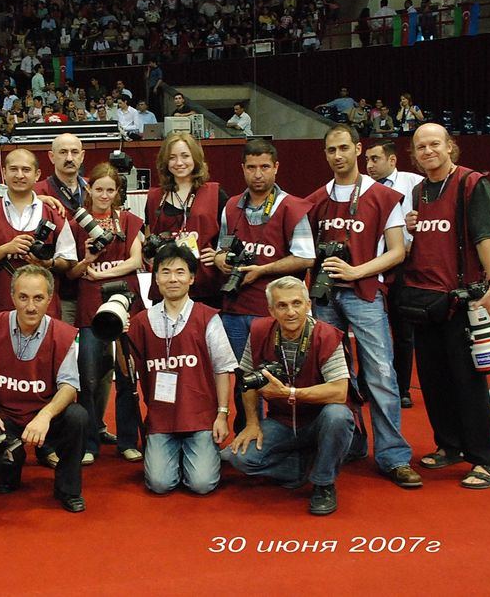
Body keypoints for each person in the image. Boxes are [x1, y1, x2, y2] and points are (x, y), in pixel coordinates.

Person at [305, 124, 421, 489]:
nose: (337, 156)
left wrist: (357, 271)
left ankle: (393, 456)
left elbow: (398, 251)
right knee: (338, 376)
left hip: (365, 294)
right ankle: (352, 442)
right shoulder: (316, 199)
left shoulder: (382, 196)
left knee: (381, 374)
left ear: (358, 149)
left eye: (344, 148)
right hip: (325, 298)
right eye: (331, 150)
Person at [401, 123, 490, 489]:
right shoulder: (418, 192)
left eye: (434, 144)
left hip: (461, 300)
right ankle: (449, 445)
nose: (428, 151)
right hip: (425, 301)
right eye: (421, 146)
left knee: (468, 381)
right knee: (433, 380)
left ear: (450, 147)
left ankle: (484, 458)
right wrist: (410, 227)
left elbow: (485, 237)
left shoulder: (471, 183)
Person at [223, 276, 354, 515]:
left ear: (308, 305)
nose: (290, 312)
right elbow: (247, 380)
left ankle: (323, 483)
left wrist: (291, 393)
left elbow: (339, 391)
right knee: (239, 459)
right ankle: (302, 466)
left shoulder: (326, 335)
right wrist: (252, 423)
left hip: (318, 420)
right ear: (271, 310)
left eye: (296, 303)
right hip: (281, 422)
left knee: (339, 416)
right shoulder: (259, 331)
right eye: (282, 305)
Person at [0, 264, 88, 512]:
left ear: (49, 299)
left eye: (38, 298)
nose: (31, 306)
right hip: (4, 417)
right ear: (12, 297)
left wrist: (45, 416)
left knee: (78, 417)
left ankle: (68, 489)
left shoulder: (63, 334)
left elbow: (69, 386)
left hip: (43, 418)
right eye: (23, 297)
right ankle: (10, 471)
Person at [214, 140, 315, 431]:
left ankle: (282, 435)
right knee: (242, 378)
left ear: (276, 168)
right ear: (243, 169)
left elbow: (306, 257)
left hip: (275, 311)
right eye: (251, 167)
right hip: (235, 308)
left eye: (264, 167)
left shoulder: (292, 206)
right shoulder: (232, 205)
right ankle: (248, 432)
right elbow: (222, 248)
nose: (258, 174)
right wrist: (221, 260)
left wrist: (262, 270)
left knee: (279, 377)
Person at [127, 244, 238, 495]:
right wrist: (118, 337)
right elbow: (128, 370)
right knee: (159, 484)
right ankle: (179, 455)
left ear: (191, 278)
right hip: (161, 417)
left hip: (200, 417)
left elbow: (222, 369)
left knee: (202, 484)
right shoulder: (141, 321)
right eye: (165, 272)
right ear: (156, 278)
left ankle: (198, 453)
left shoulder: (208, 317)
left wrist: (222, 415)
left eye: (180, 272)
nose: (173, 279)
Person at [66, 163, 146, 462]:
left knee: (128, 375)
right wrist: (88, 260)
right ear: (89, 189)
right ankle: (89, 443)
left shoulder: (129, 220)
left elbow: (136, 261)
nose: (104, 195)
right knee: (87, 377)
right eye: (99, 189)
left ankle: (127, 440)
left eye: (110, 190)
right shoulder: (76, 224)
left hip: (126, 302)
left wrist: (100, 274)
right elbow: (71, 272)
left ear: (118, 192)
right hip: (90, 306)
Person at [0, 149, 76, 318]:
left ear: (37, 174)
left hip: (45, 311)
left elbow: (69, 261)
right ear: (4, 173)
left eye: (26, 170)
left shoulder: (54, 214)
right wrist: (5, 249)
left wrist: (47, 263)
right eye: (14, 169)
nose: (19, 175)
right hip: (0, 307)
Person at [364, 141, 425, 407]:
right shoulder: (362, 187)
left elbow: (429, 220)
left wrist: (414, 243)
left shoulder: (415, 183)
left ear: (392, 160)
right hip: (371, 263)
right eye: (367, 159)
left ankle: (401, 389)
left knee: (402, 330)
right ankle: (365, 385)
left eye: (375, 159)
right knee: (369, 328)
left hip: (405, 265)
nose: (369, 165)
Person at [145, 132, 226, 307]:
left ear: (195, 158)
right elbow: (148, 235)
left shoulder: (214, 193)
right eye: (172, 157)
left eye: (185, 156)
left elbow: (231, 233)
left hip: (205, 284)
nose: (179, 162)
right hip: (167, 284)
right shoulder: (154, 197)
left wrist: (219, 254)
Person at [33, 133, 89, 324]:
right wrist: (34, 201)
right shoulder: (37, 191)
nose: (69, 158)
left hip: (92, 282)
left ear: (82, 156)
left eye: (74, 152)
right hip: (56, 286)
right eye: (63, 152)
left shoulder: (94, 188)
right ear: (51, 156)